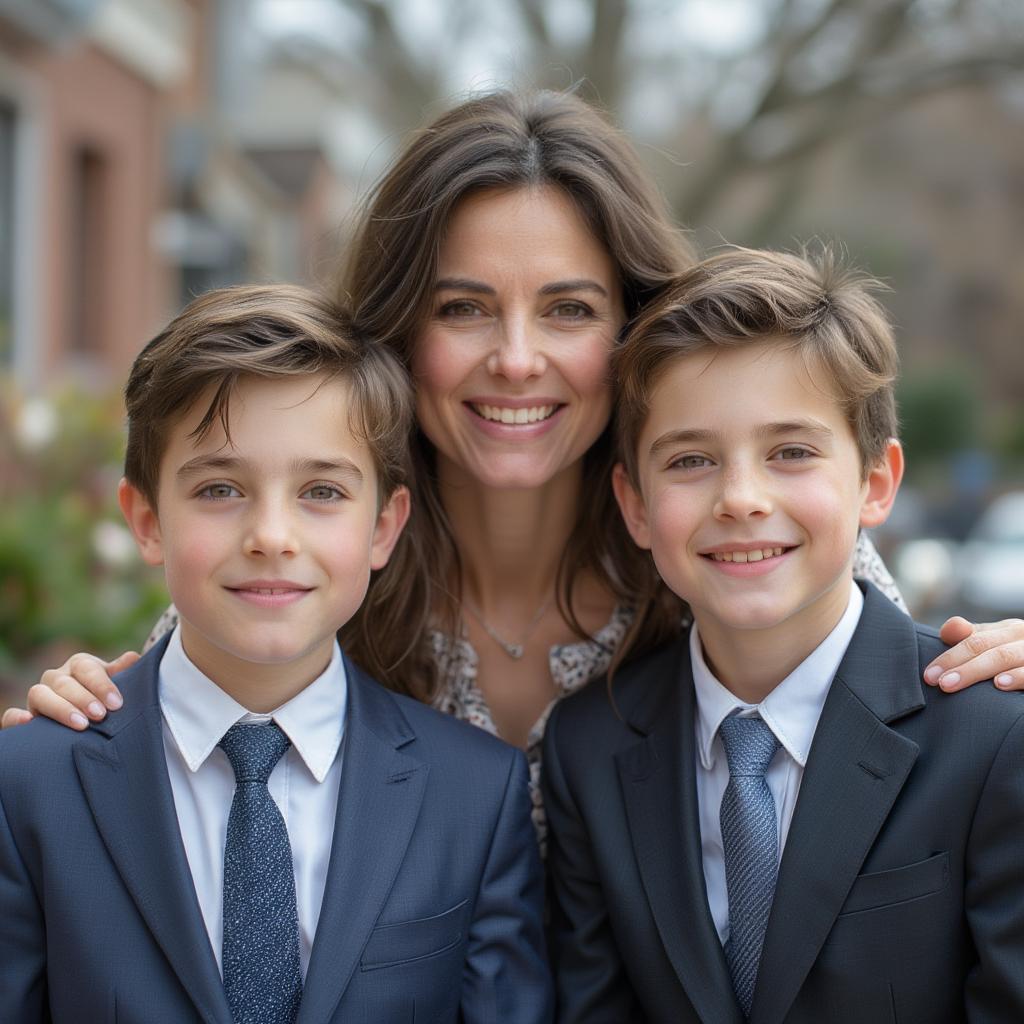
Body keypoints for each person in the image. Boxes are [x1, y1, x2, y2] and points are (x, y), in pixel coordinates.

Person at [6, 92, 1024, 852]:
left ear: (633, 333)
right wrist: (83, 710)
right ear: (399, 330)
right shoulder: (321, 551)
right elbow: (156, 729)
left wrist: (999, 669)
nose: (518, 358)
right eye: (462, 308)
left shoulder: (714, 540)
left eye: (571, 309)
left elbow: (905, 694)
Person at [0, 286, 552, 1024]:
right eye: (221, 488)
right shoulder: (29, 786)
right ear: (146, 520)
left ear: (383, 527)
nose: (272, 535)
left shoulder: (474, 796)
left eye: (321, 491)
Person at [542, 247, 1024, 1022]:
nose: (741, 497)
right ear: (634, 505)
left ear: (875, 483)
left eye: (791, 452)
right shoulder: (590, 747)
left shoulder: (992, 729)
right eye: (691, 459)